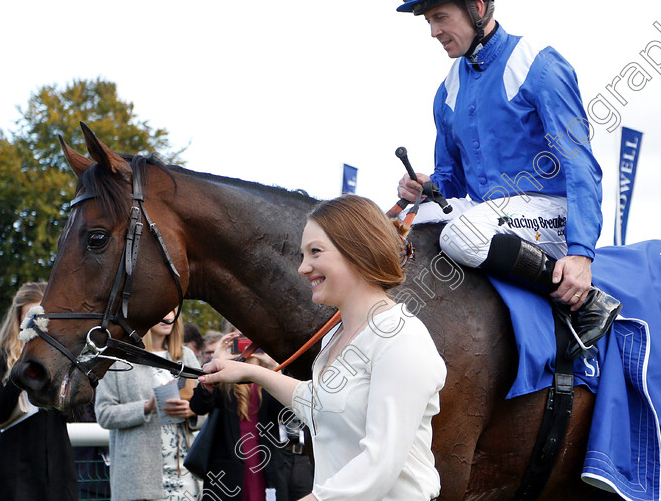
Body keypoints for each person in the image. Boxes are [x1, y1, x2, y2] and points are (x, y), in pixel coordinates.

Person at [395, 0, 621, 358]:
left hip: (550, 212)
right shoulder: (447, 90)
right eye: (428, 21)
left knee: (462, 234)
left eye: (440, 17)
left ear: (478, 7)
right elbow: (453, 179)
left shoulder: (538, 63)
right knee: (415, 225)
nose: (433, 31)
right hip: (495, 216)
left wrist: (581, 254)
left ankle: (585, 300)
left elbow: (580, 165)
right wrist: (426, 187)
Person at [199, 194, 447, 500]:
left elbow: (381, 463)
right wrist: (250, 372)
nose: (303, 268)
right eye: (303, 255)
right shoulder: (336, 337)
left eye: (315, 252)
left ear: (358, 250)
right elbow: (319, 402)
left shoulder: (402, 340)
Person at [0, 282, 79, 501]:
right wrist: (21, 372)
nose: (36, 325)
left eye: (42, 317)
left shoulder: (62, 358)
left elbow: (76, 414)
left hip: (57, 471)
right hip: (16, 472)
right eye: (30, 317)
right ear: (17, 318)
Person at [95, 310, 204, 501]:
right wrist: (146, 406)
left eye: (173, 310)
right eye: (163, 308)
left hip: (186, 474)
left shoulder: (186, 356)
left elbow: (207, 408)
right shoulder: (117, 359)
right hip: (140, 479)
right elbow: (104, 414)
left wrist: (192, 411)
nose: (168, 316)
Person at [189, 332, 282, 501]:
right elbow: (198, 406)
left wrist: (275, 366)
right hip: (227, 472)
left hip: (265, 466)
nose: (246, 344)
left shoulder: (270, 376)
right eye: (240, 338)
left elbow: (287, 414)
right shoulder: (224, 376)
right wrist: (216, 360)